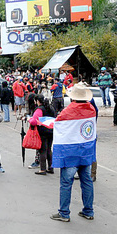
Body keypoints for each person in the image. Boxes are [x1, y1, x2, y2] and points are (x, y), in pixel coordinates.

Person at [50, 83, 96, 222]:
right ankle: (88, 211)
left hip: (70, 153)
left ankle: (64, 213)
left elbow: (58, 123)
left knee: (66, 183)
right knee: (86, 181)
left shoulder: (68, 111)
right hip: (86, 151)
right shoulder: (92, 109)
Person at [28, 94, 54, 175]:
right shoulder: (51, 108)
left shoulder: (39, 110)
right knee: (49, 149)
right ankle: (51, 167)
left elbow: (34, 121)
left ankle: (43, 169)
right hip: (51, 130)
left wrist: (29, 119)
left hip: (43, 132)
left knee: (43, 150)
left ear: (37, 101)